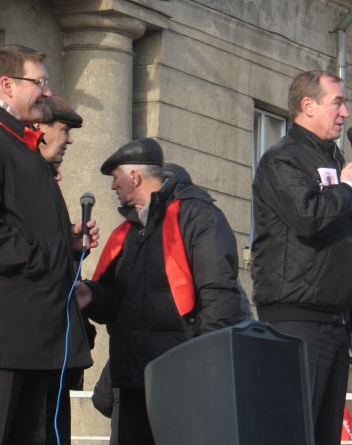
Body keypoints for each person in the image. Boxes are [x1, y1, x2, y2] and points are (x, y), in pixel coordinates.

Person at [75, 139, 251, 445]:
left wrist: (205, 365)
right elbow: (119, 300)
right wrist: (92, 296)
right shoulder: (128, 232)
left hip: (180, 377)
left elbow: (218, 297)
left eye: (116, 177)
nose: (112, 186)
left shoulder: (196, 217)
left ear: (135, 177)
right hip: (133, 380)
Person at [0, 45, 98, 444]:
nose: (47, 92)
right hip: (0, 338)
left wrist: (68, 243)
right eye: (39, 82)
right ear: (6, 85)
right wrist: (43, 259)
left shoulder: (21, 145)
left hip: (32, 336)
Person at [251, 69, 352, 445]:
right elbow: (307, 218)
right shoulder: (282, 161)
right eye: (337, 103)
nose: (345, 113)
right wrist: (348, 189)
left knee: (324, 434)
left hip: (333, 321)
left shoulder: (335, 162)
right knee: (295, 430)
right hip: (297, 320)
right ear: (308, 106)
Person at [33, 97, 94, 445]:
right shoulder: (22, 178)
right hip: (27, 342)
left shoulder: (46, 181)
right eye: (64, 129)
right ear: (39, 129)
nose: (69, 139)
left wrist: (72, 247)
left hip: (51, 347)